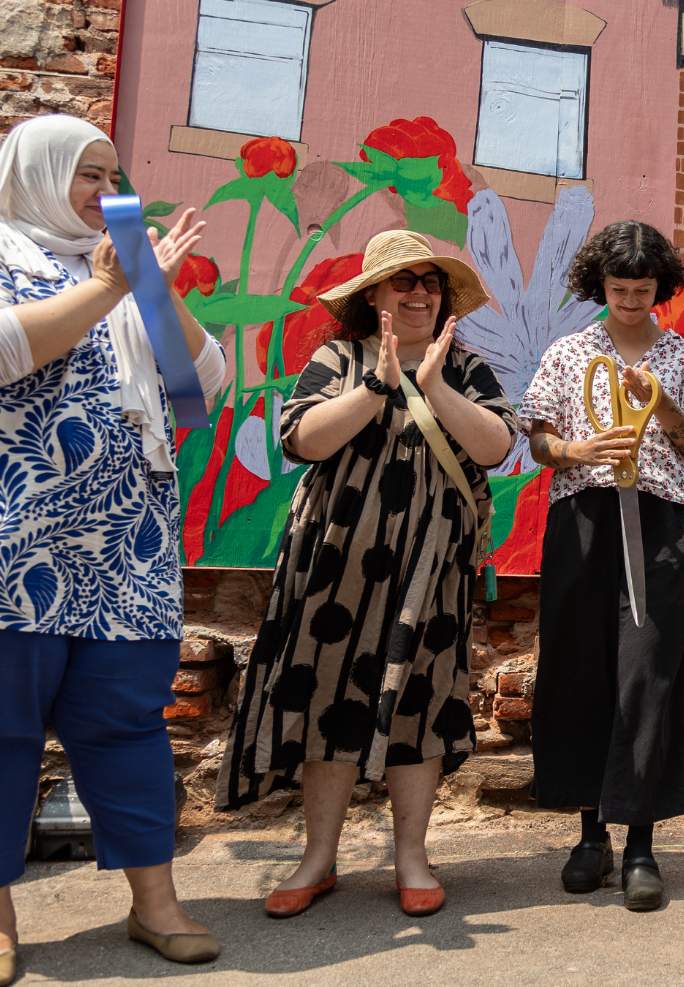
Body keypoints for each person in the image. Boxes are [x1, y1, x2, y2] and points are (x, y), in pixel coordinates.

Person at [0, 113, 227, 987]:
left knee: (126, 729)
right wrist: (112, 291)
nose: (107, 192)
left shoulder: (115, 269)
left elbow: (199, 388)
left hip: (123, 550)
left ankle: (154, 903)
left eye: (116, 174)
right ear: (36, 173)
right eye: (88, 173)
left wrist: (150, 286)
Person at [220, 230, 518, 920]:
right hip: (334, 562)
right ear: (372, 296)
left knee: (418, 698)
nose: (419, 292)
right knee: (327, 693)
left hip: (430, 568)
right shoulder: (339, 358)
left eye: (430, 282)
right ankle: (316, 859)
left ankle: (411, 856)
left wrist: (434, 383)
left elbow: (496, 446)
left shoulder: (466, 367)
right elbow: (305, 438)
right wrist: (381, 382)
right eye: (403, 281)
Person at [518, 221, 684, 911]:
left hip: (664, 525)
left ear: (660, 287)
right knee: (581, 669)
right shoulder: (570, 351)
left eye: (643, 289)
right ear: (598, 287)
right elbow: (540, 440)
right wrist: (578, 452)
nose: (632, 300)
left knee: (650, 675)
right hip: (583, 518)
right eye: (618, 289)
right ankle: (589, 835)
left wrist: (661, 404)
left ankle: (640, 841)